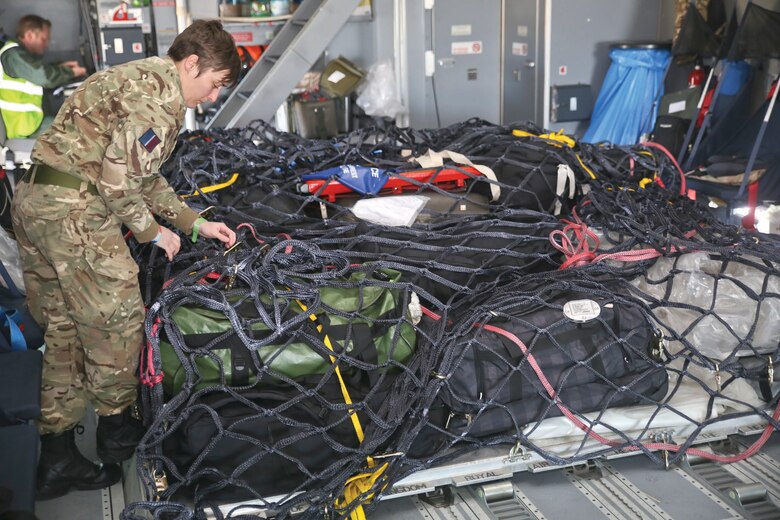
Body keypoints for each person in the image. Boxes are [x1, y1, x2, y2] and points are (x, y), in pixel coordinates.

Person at [10, 20, 240, 500]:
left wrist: (193, 223)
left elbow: (143, 176)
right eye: (215, 83)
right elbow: (119, 185)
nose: (213, 96)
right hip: (74, 212)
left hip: (36, 202)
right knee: (118, 317)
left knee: (64, 330)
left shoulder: (136, 78)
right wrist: (152, 232)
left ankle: (56, 458)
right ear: (192, 63)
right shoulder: (156, 100)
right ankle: (115, 429)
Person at [0, 15, 87, 139]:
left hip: (31, 122)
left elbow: (36, 72)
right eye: (43, 39)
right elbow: (44, 77)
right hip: (25, 127)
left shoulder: (18, 55)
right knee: (80, 131)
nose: (46, 45)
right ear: (29, 35)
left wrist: (60, 67)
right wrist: (72, 72)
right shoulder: (13, 55)